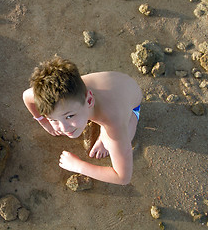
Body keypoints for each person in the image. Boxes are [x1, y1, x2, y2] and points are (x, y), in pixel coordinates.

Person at [22, 56, 142, 185]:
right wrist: (44, 122)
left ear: (89, 100)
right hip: (109, 90)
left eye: (69, 116)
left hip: (130, 106)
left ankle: (110, 133)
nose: (63, 128)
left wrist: (78, 166)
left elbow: (122, 178)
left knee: (110, 140)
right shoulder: (51, 96)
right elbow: (26, 97)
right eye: (53, 119)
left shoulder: (113, 120)